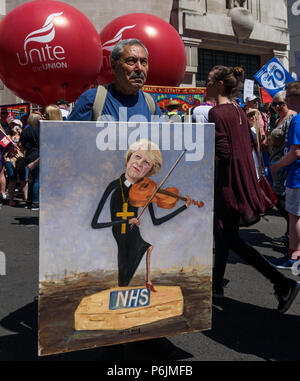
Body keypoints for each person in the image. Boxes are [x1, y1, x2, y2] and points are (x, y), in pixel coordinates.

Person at [207, 65, 299, 313]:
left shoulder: (217, 112)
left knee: (230, 238)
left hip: (226, 185)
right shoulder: (239, 109)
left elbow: (223, 153)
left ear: (218, 85)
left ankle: (281, 283)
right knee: (223, 236)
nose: (205, 84)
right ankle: (216, 286)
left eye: (208, 80)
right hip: (240, 181)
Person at [91, 139, 191, 292]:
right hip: (121, 235)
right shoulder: (113, 186)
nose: (139, 164)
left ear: (149, 171)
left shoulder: (146, 189)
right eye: (137, 157)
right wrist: (125, 220)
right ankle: (126, 291)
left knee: (142, 249)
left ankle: (147, 282)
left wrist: (183, 207)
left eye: (147, 163)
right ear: (129, 157)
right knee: (123, 278)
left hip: (134, 235)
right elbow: (95, 223)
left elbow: (156, 221)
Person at [68, 39, 162, 122]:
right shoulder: (92, 99)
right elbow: (69, 138)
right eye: (131, 61)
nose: (139, 68)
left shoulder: (151, 104)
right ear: (114, 65)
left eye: (143, 62)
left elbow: (162, 140)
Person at [269, 81, 300, 269]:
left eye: (287, 97)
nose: (285, 100)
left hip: (296, 175)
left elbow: (296, 152)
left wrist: (275, 167)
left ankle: (294, 257)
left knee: (295, 217)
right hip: (295, 174)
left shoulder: (297, 120)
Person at [3, 119, 28, 207]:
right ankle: (11, 199)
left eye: (16, 125)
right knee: (12, 179)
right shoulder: (7, 136)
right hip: (9, 159)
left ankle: (26, 198)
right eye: (12, 125)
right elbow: (3, 147)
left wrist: (21, 135)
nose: (13, 126)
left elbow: (27, 146)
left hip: (21, 159)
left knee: (24, 179)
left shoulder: (24, 135)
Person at [19, 113, 40, 210]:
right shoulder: (38, 130)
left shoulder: (24, 131)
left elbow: (21, 144)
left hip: (28, 155)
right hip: (37, 155)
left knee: (31, 179)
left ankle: (30, 201)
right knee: (36, 179)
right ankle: (35, 202)